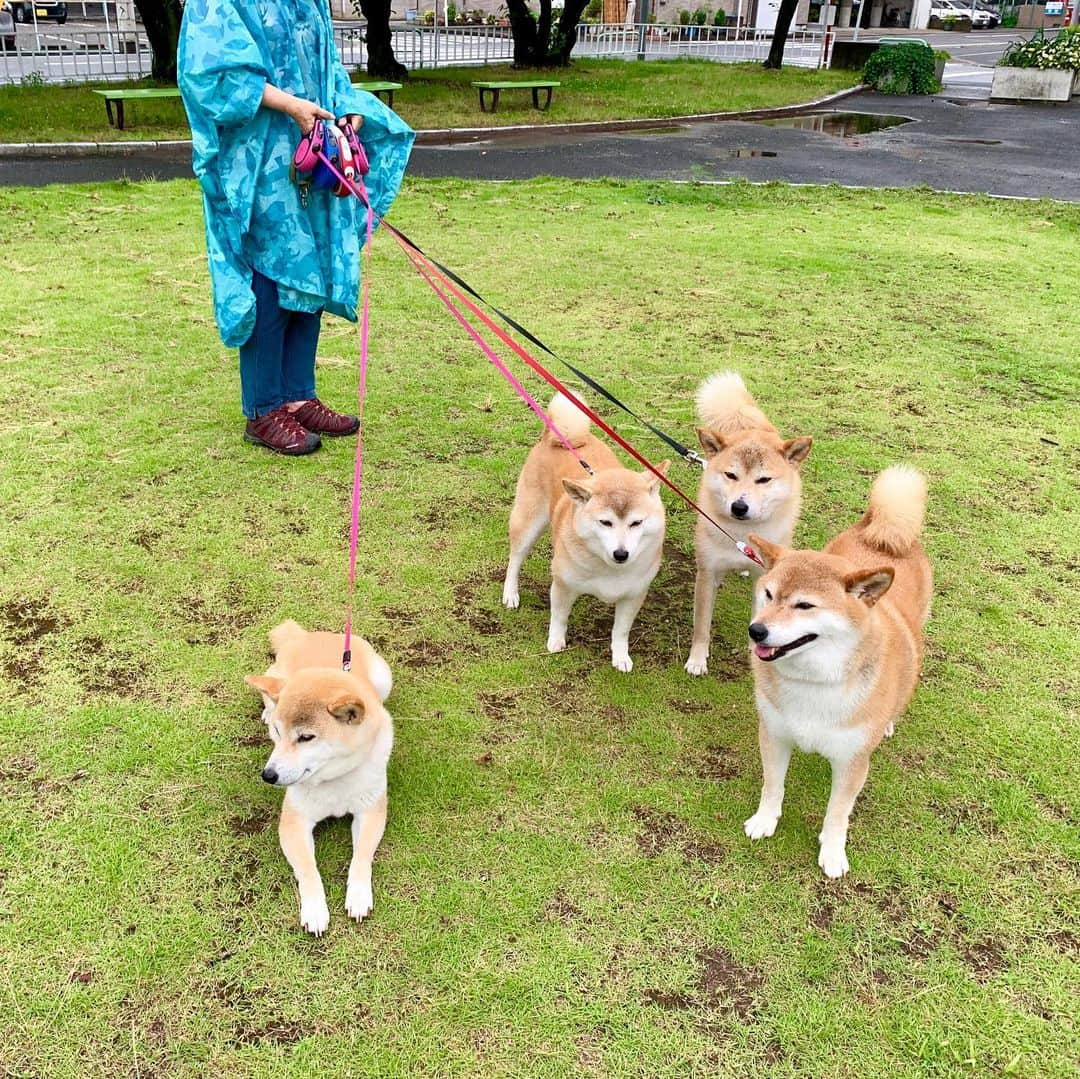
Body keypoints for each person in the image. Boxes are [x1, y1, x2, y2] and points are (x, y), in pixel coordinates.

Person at [178, 0, 414, 455]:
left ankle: (298, 396)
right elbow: (209, 75)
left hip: (310, 154)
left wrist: (345, 110)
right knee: (267, 272)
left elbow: (328, 69)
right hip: (257, 161)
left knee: (312, 268)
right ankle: (264, 409)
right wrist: (288, 105)